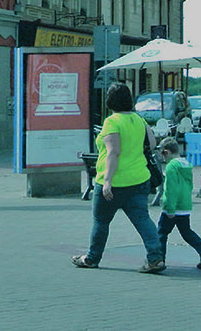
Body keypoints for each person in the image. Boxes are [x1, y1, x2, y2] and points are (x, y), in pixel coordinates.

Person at [71, 82, 166, 273]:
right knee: (143, 220)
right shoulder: (139, 120)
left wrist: (107, 181)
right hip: (139, 179)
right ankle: (155, 258)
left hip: (114, 182)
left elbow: (113, 152)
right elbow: (152, 143)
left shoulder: (112, 122)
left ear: (110, 101)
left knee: (101, 221)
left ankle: (92, 258)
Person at [156, 137, 201, 269]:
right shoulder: (186, 164)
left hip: (173, 207)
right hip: (185, 205)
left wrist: (170, 208)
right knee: (186, 232)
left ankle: (159, 259)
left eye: (163, 154)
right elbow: (190, 185)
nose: (163, 158)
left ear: (166, 152)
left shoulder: (171, 166)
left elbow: (171, 189)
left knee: (161, 233)